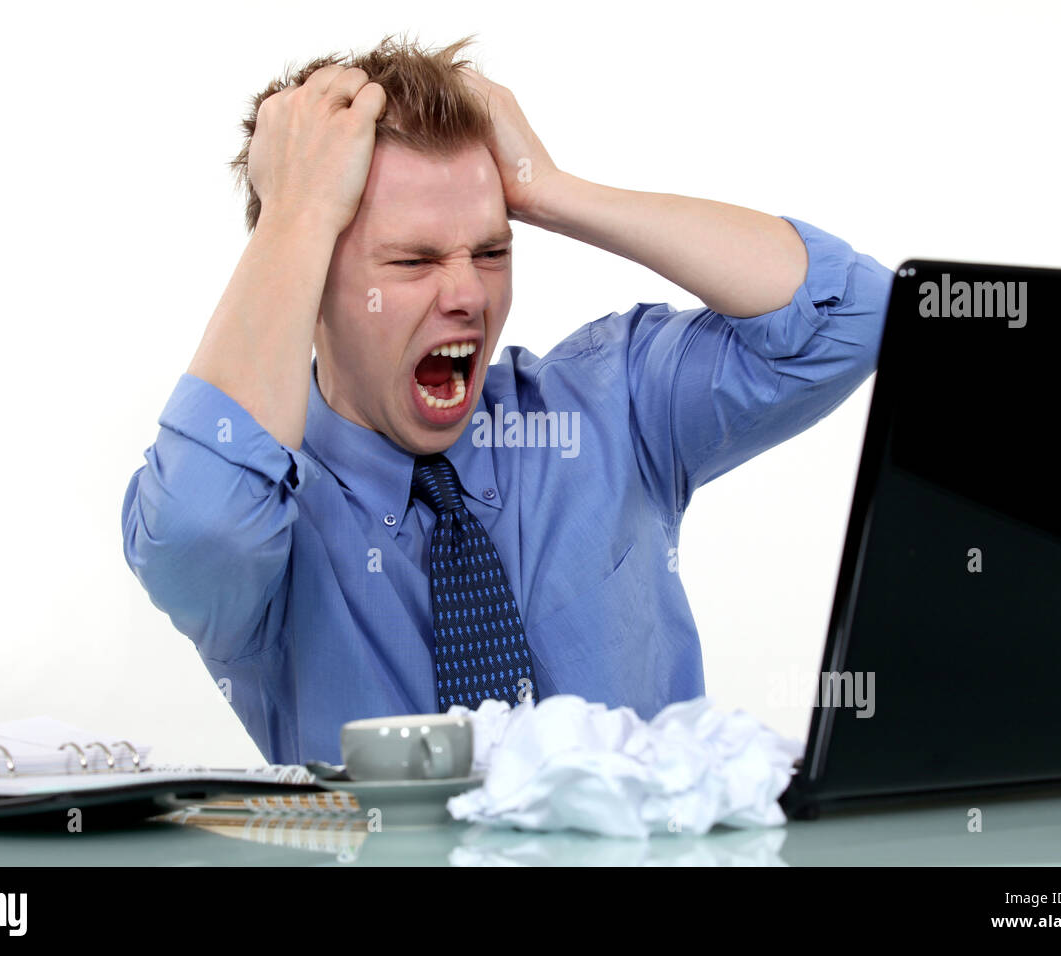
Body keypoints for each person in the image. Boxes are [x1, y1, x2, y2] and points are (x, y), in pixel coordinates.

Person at [120, 35, 893, 765]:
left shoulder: (608, 408)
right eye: (414, 259)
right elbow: (195, 531)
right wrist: (296, 214)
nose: (467, 294)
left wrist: (549, 191)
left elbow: (853, 316)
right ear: (309, 282)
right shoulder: (270, 519)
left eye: (491, 251)